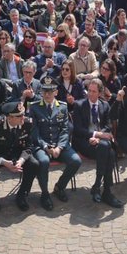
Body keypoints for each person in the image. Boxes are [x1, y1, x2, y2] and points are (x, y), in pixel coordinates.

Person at [29, 76, 82, 207]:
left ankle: (60, 186)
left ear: (56, 92)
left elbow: (65, 129)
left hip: (60, 144)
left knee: (76, 161)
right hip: (42, 145)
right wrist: (46, 146)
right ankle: (45, 194)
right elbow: (34, 132)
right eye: (44, 91)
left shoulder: (62, 107)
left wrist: (59, 147)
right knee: (44, 161)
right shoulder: (34, 107)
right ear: (41, 92)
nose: (47, 94)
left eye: (50, 91)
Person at [73, 78, 123, 208]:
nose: (90, 94)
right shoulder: (79, 105)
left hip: (100, 144)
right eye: (89, 90)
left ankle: (100, 188)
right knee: (109, 151)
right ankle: (105, 190)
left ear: (100, 93)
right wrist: (96, 135)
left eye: (94, 91)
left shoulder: (104, 105)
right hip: (84, 142)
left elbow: (108, 126)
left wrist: (99, 138)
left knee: (108, 151)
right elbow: (77, 129)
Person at [0, 100, 38, 212]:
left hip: (18, 153)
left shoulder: (27, 123)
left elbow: (29, 146)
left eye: (23, 114)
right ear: (9, 118)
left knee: (34, 164)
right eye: (19, 116)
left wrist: (21, 160)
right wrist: (4, 162)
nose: (23, 118)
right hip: (0, 154)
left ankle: (22, 195)